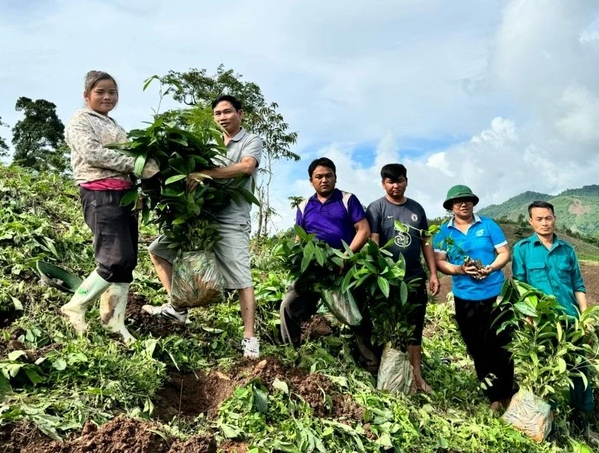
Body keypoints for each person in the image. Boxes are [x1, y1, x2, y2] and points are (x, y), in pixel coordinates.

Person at [143, 95, 264, 359]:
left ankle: (249, 338)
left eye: (228, 112)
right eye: (218, 113)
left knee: (242, 278)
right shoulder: (210, 144)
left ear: (240, 114)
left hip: (232, 219)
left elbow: (246, 168)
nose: (222, 117)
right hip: (203, 216)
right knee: (158, 250)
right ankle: (178, 307)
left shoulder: (250, 140)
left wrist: (205, 173)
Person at [62, 70, 158, 344]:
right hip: (99, 193)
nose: (107, 97)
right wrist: (137, 165)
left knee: (126, 262)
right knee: (113, 259)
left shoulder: (114, 124)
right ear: (86, 95)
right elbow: (93, 153)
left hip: (124, 196)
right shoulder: (80, 121)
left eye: (112, 92)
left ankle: (113, 322)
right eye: (100, 92)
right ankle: (75, 307)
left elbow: (130, 155)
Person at [512, 200, 599, 444]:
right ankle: (547, 426)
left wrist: (585, 317)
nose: (544, 223)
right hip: (543, 324)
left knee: (579, 371)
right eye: (538, 219)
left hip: (571, 322)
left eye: (547, 218)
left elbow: (578, 285)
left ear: (554, 219)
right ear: (530, 221)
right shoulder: (522, 249)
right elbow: (520, 284)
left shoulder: (567, 250)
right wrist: (528, 314)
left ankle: (585, 424)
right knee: (544, 373)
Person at [279, 157, 377, 367]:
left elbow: (363, 230)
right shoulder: (304, 206)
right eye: (319, 177)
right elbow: (299, 238)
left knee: (357, 315)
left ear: (335, 177)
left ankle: (370, 363)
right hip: (314, 270)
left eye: (328, 176)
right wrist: (298, 261)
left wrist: (345, 255)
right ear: (311, 181)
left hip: (345, 269)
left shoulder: (347, 199)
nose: (324, 180)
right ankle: (291, 355)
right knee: (289, 305)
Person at [431, 185, 517, 411]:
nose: (463, 204)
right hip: (465, 298)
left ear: (473, 203)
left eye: (467, 200)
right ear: (451, 206)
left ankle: (508, 391)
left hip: (495, 295)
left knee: (502, 345)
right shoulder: (444, 233)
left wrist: (490, 268)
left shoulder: (488, 225)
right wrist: (459, 269)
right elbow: (440, 261)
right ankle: (493, 397)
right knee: (477, 347)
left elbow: (504, 253)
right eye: (458, 202)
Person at [366, 163, 440, 393]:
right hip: (389, 281)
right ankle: (391, 376)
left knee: (415, 328)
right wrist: (378, 275)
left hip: (414, 279)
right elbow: (374, 243)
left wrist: (433, 273)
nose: (395, 185)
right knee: (388, 327)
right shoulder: (376, 208)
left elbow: (425, 242)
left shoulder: (416, 208)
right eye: (390, 181)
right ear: (383, 183)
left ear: (406, 181)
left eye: (399, 180)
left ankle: (416, 376)